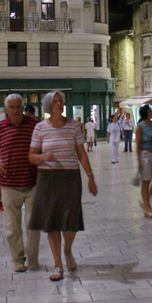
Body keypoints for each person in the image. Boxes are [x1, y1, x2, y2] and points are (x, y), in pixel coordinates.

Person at [28, 91, 97, 281]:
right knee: (51, 222)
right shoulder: (40, 128)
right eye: (55, 101)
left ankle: (67, 249)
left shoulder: (74, 126)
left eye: (61, 101)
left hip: (70, 177)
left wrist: (90, 176)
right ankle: (58, 264)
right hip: (47, 178)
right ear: (49, 106)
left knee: (71, 220)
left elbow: (81, 153)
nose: (59, 104)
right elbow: (31, 156)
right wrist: (42, 157)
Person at [0, 94, 40, 272]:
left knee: (33, 224)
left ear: (23, 108)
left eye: (18, 106)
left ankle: (32, 259)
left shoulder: (35, 125)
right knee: (12, 227)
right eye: (12, 107)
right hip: (9, 185)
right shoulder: (0, 127)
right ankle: (18, 260)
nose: (15, 110)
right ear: (6, 110)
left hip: (33, 183)